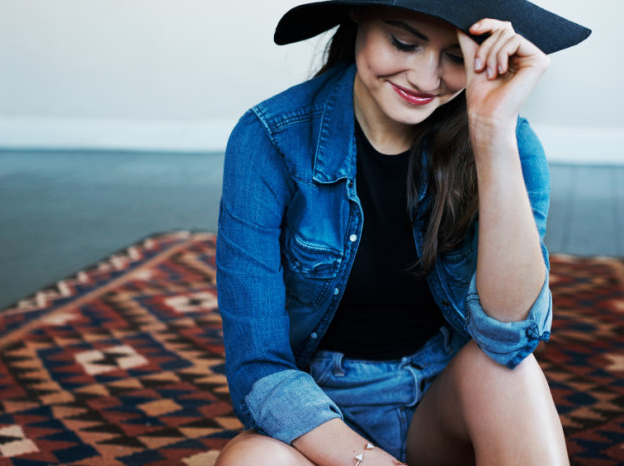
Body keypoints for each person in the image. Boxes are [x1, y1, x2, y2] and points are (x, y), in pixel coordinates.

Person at [215, 1, 590, 464]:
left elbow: (510, 337)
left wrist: (492, 133)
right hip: (318, 418)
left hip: (443, 406)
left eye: (456, 56)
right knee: (250, 461)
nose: (426, 79)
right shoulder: (270, 138)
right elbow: (258, 368)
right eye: (404, 43)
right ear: (358, 13)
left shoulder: (510, 139)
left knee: (511, 373)